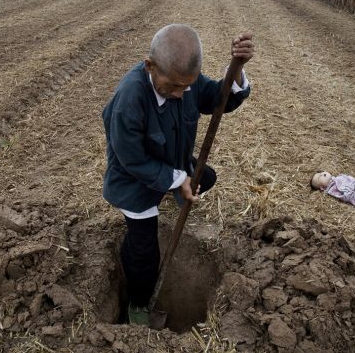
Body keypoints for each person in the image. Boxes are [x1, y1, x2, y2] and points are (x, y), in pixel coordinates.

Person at [102, 24, 254, 325]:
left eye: (187, 86)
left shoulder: (185, 81)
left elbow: (220, 99)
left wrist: (236, 70)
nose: (181, 93)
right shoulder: (128, 100)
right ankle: (138, 305)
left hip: (173, 160)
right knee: (144, 251)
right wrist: (177, 180)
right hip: (134, 180)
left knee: (205, 179)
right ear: (150, 66)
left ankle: (174, 188)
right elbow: (131, 159)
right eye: (173, 87)